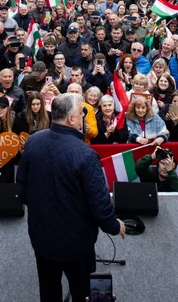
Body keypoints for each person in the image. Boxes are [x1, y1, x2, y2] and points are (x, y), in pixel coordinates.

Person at [17, 93, 124, 302]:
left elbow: (21, 189)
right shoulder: (86, 154)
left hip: (42, 237)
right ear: (71, 119)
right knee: (82, 292)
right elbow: (99, 202)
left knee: (49, 290)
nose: (83, 118)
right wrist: (113, 225)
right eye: (81, 114)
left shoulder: (33, 142)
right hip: (77, 244)